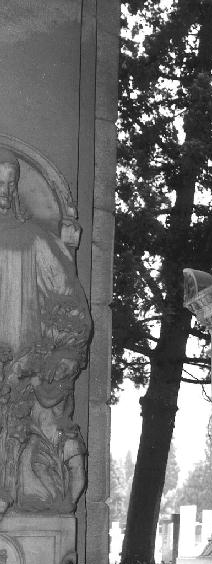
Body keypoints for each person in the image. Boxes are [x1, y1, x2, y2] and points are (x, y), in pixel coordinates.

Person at [0, 149, 91, 513]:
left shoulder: (36, 242)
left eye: (9, 184)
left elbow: (71, 315)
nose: (3, 192)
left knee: (49, 489)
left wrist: (48, 368)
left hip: (23, 380)